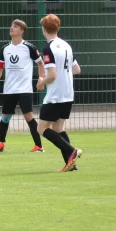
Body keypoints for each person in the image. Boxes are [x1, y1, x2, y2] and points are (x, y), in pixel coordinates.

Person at [36, 14, 82, 172]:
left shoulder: (48, 48)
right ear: (58, 27)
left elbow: (53, 75)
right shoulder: (66, 45)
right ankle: (71, 165)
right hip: (68, 93)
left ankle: (72, 151)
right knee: (58, 128)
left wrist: (42, 81)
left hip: (55, 95)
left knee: (41, 129)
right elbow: (76, 69)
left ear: (44, 29)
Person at [0, 19, 45, 153]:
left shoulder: (29, 47)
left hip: (24, 89)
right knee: (5, 117)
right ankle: (1, 143)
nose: (11, 28)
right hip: (9, 89)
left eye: (15, 27)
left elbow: (40, 63)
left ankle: (38, 146)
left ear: (21, 31)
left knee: (29, 116)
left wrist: (41, 78)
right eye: (11, 26)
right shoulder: (5, 49)